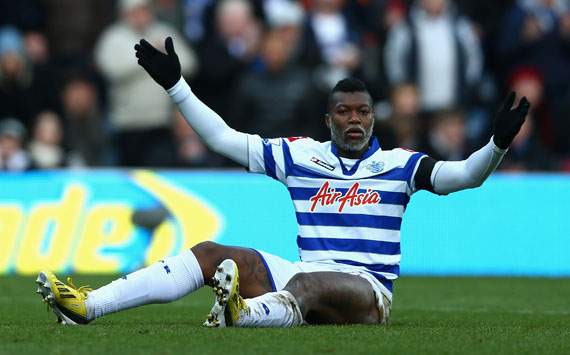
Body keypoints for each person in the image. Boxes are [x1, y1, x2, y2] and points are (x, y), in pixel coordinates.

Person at [36, 37, 530, 327]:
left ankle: (242, 314)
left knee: (307, 281)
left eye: (362, 111)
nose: (354, 119)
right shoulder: (302, 156)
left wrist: (497, 146)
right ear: (329, 118)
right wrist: (176, 87)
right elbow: (223, 139)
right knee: (211, 253)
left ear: (374, 118)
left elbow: (465, 176)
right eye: (344, 111)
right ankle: (88, 306)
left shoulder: (403, 165)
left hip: (368, 293)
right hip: (298, 273)